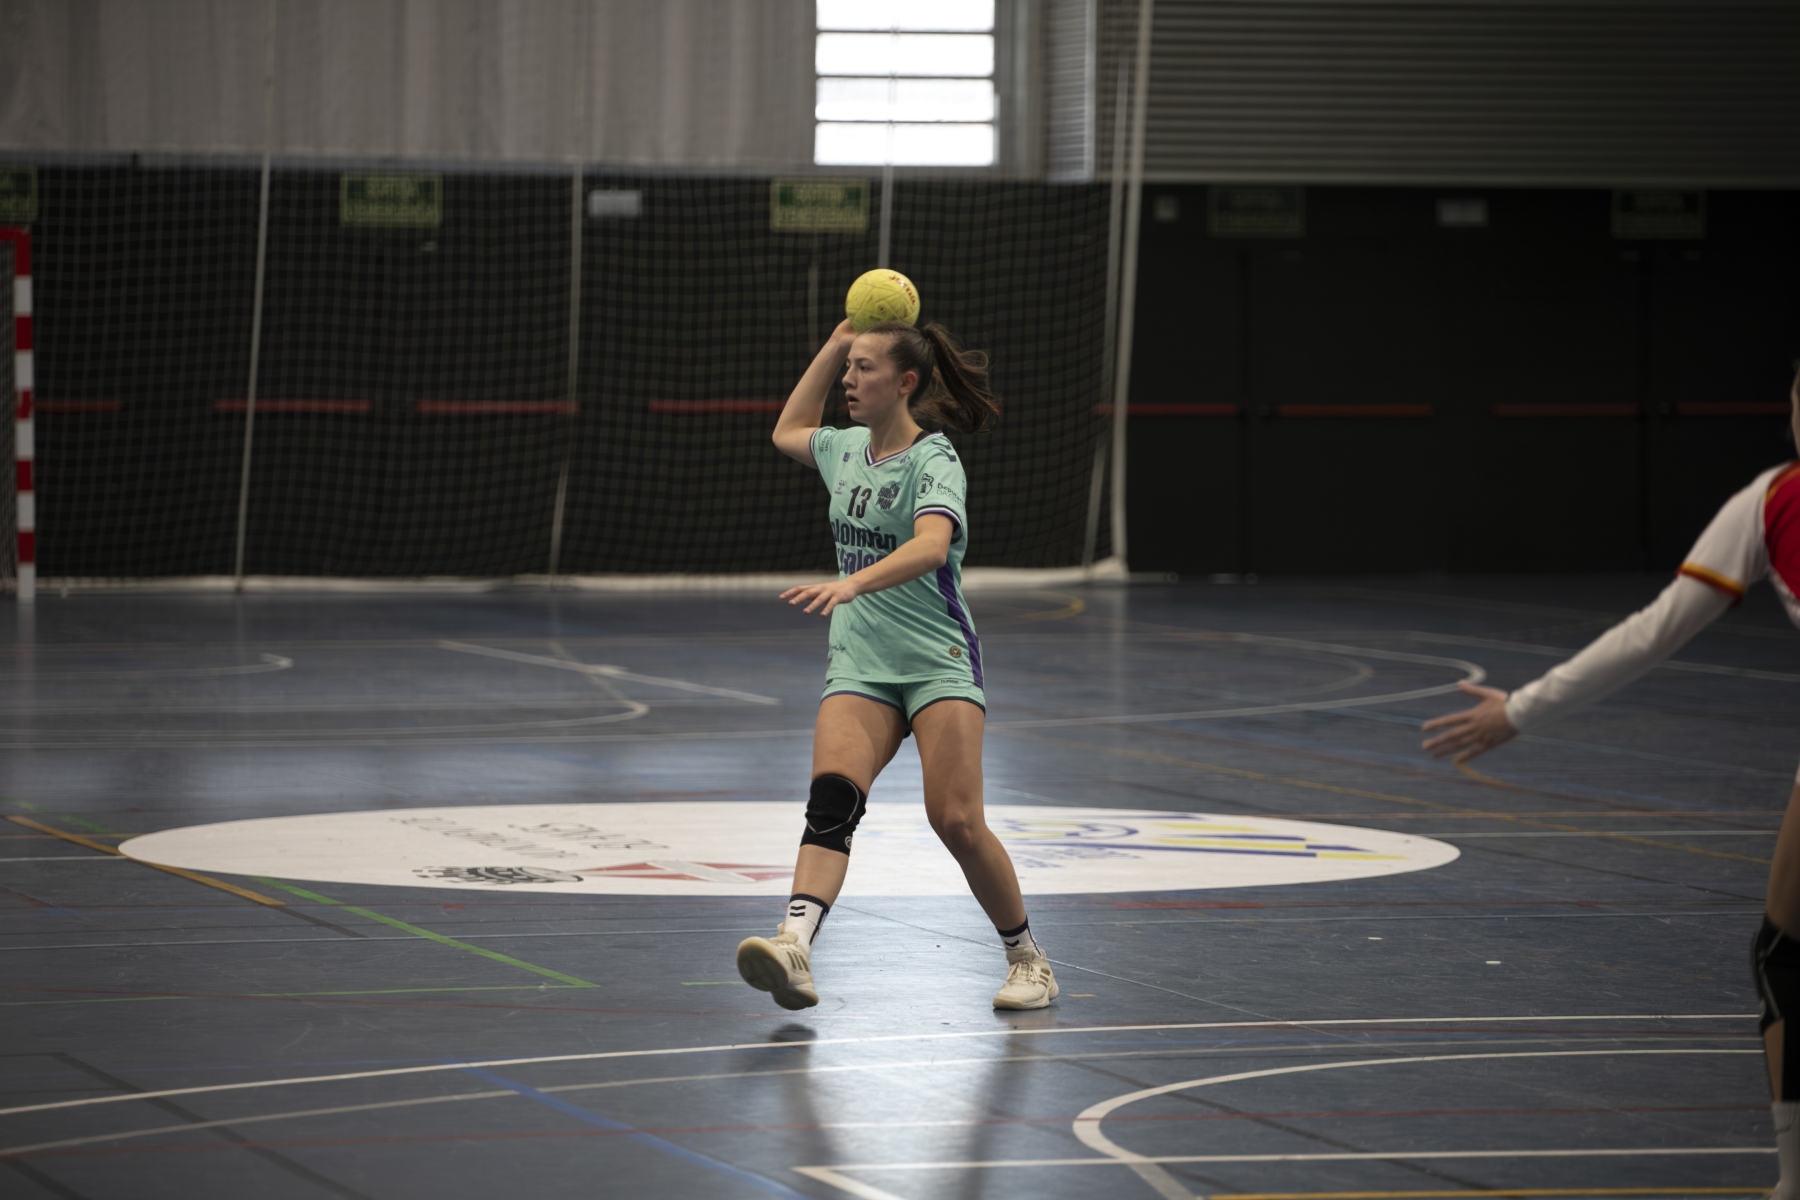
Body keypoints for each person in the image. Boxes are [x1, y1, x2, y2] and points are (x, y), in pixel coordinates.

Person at [1421, 365, 1800, 1198]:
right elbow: (1655, 629)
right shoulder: (1770, 502)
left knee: (1788, 957)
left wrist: (1522, 710)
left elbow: (1655, 632)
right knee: (1785, 954)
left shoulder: (1773, 498)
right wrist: (1523, 708)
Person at [733, 316, 1057, 1012]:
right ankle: (794, 947)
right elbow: (787, 430)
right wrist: (831, 347)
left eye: (865, 368)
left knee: (957, 821)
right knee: (832, 802)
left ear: (905, 382)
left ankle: (1028, 960)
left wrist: (853, 582)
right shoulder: (843, 448)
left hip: (936, 660)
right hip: (861, 663)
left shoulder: (933, 459)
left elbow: (932, 546)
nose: (850, 381)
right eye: (848, 367)